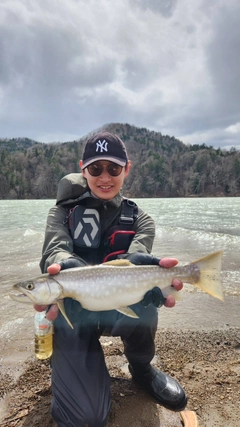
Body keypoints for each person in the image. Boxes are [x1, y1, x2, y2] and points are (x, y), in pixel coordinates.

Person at [35, 131, 187, 427]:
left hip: (119, 307)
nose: (105, 177)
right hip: (73, 313)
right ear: (83, 169)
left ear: (126, 169)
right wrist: (62, 267)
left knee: (146, 301)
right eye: (95, 168)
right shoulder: (60, 214)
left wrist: (148, 276)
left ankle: (142, 369)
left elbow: (138, 255)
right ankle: (77, 370)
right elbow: (55, 249)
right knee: (86, 419)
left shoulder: (141, 220)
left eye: (113, 168)